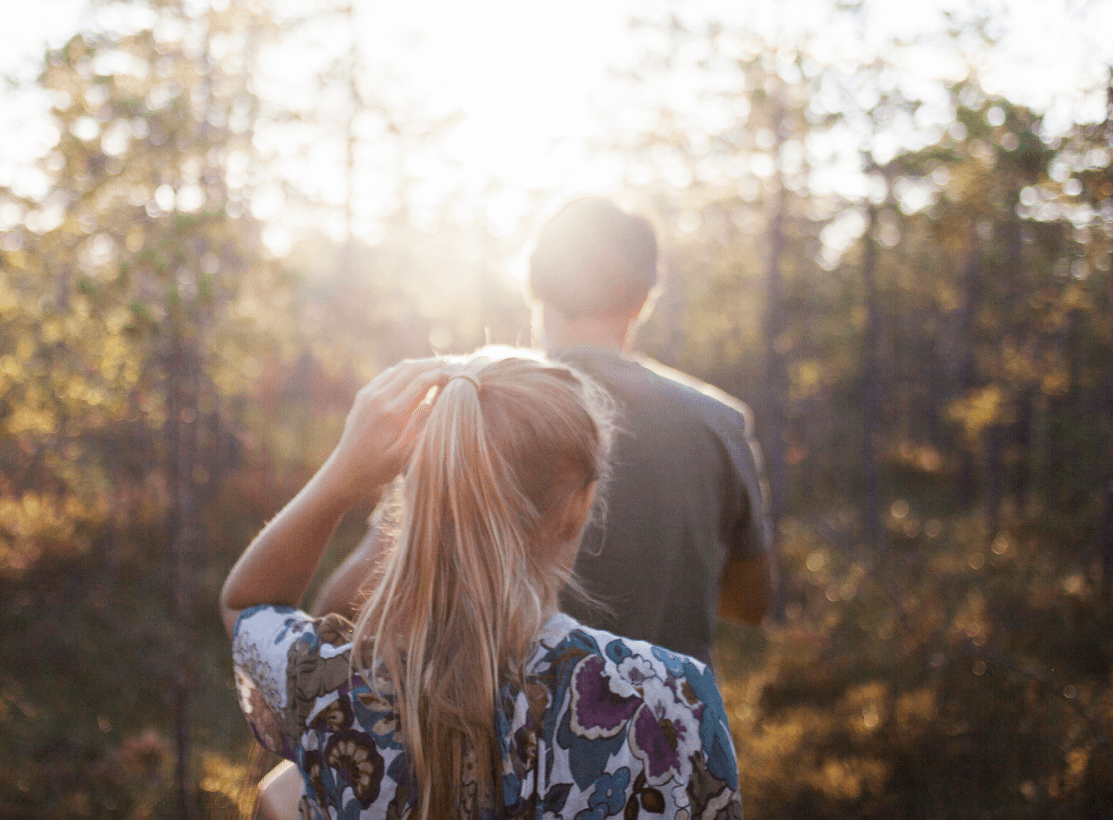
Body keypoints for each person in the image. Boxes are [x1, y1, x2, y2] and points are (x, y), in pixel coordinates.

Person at [221, 350, 743, 819]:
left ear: (420, 497)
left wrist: (346, 469)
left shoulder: (329, 686)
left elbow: (245, 603)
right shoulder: (672, 698)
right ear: (581, 506)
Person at [526, 197, 778, 664]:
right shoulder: (719, 422)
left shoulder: (472, 408)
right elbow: (750, 604)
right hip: (668, 730)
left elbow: (355, 595)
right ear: (642, 300)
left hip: (507, 730)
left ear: (536, 284)